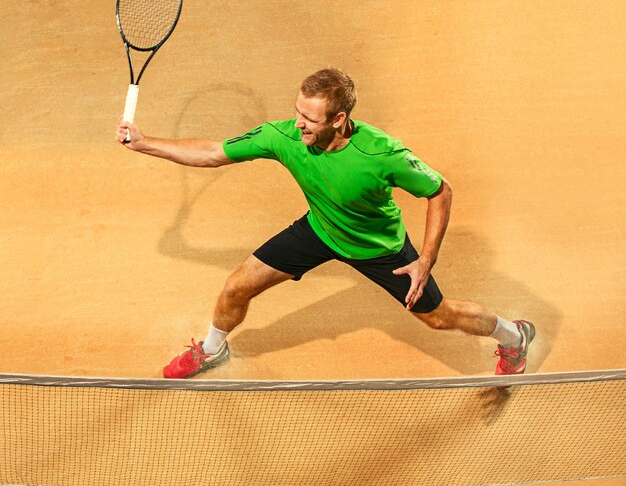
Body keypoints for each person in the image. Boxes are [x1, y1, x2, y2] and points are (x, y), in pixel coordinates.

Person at [115, 68, 534, 379]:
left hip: (380, 250)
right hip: (319, 231)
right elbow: (211, 152)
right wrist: (145, 142)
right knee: (236, 286)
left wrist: (425, 259)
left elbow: (440, 191)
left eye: (309, 119)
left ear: (338, 120)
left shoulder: (381, 154)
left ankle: (514, 337)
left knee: (439, 317)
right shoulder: (284, 136)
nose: (298, 124)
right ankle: (211, 349)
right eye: (297, 112)